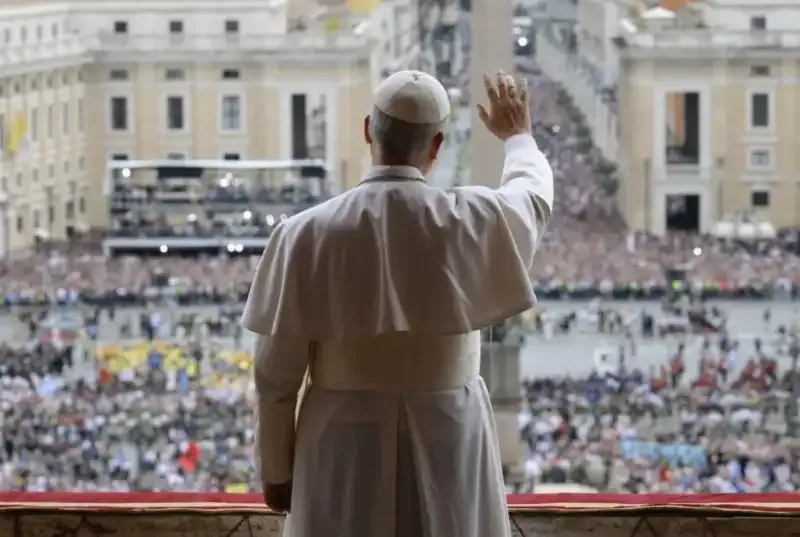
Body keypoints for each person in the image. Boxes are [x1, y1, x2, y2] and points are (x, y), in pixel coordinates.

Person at [242, 69, 554, 537]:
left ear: (369, 130)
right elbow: (532, 199)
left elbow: (275, 375)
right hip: (449, 435)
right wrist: (519, 139)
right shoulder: (472, 220)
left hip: (340, 439)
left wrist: (276, 471)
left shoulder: (302, 233)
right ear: (436, 147)